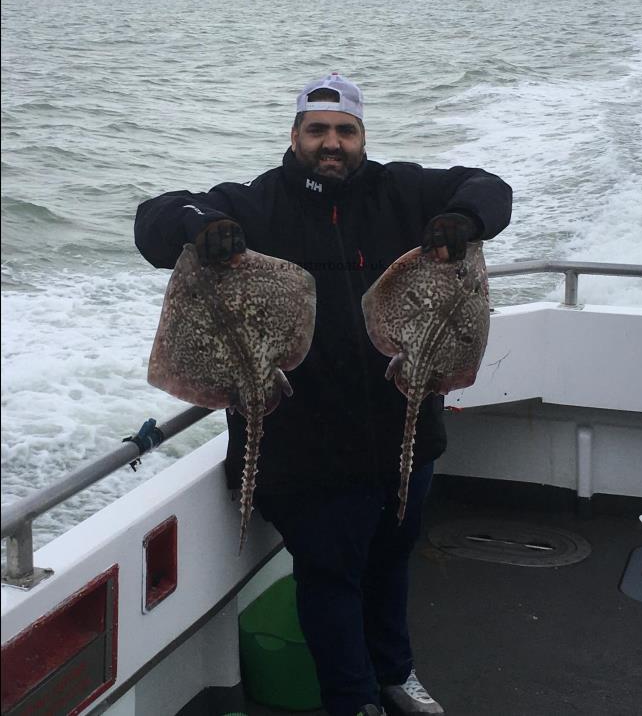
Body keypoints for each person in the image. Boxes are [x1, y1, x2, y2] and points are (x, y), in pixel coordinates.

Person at [135, 73, 512, 716]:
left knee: (392, 558)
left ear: (363, 136)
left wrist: (463, 218)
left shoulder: (403, 191)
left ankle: (396, 673)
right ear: (295, 136)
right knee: (331, 574)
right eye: (317, 130)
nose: (331, 143)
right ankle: (352, 699)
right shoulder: (257, 203)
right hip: (300, 442)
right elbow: (154, 220)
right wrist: (201, 225)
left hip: (407, 425)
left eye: (345, 130)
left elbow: (489, 188)